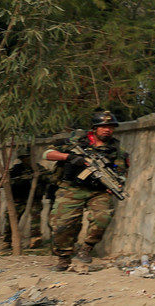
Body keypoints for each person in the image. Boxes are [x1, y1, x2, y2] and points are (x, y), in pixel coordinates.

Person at [44, 111, 128, 271]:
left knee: (103, 217)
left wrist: (116, 184)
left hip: (99, 191)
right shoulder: (75, 141)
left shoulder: (116, 149)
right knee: (62, 225)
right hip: (71, 188)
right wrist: (69, 158)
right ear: (95, 128)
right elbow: (47, 154)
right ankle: (63, 258)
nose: (107, 130)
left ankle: (86, 249)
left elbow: (121, 171)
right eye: (103, 126)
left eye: (110, 127)